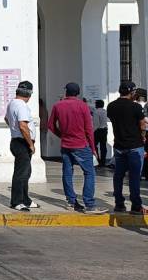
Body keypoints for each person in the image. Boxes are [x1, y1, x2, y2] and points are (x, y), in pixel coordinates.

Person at [47, 83, 106, 214]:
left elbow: (50, 125)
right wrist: (93, 148)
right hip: (81, 144)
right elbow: (89, 129)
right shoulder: (83, 106)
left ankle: (71, 201)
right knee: (89, 173)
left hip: (66, 144)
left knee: (67, 173)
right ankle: (89, 204)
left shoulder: (58, 105)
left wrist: (61, 135)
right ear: (77, 93)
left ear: (66, 92)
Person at [106, 81, 148, 215]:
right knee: (134, 177)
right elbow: (142, 126)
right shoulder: (135, 107)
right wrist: (143, 137)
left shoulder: (111, 106)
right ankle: (136, 205)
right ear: (132, 92)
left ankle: (119, 204)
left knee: (118, 176)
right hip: (134, 146)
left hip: (119, 146)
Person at [5, 81, 38, 212]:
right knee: (21, 173)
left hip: (17, 140)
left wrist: (14, 130)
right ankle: (16, 202)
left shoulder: (12, 103)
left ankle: (26, 199)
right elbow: (23, 125)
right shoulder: (22, 105)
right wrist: (30, 144)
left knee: (26, 172)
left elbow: (7, 119)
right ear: (29, 94)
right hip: (22, 143)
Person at [93, 100, 109, 167]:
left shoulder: (96, 112)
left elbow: (96, 124)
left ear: (97, 105)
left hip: (98, 131)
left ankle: (97, 160)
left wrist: (92, 131)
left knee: (94, 145)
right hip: (104, 130)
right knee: (103, 146)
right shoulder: (105, 111)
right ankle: (103, 161)